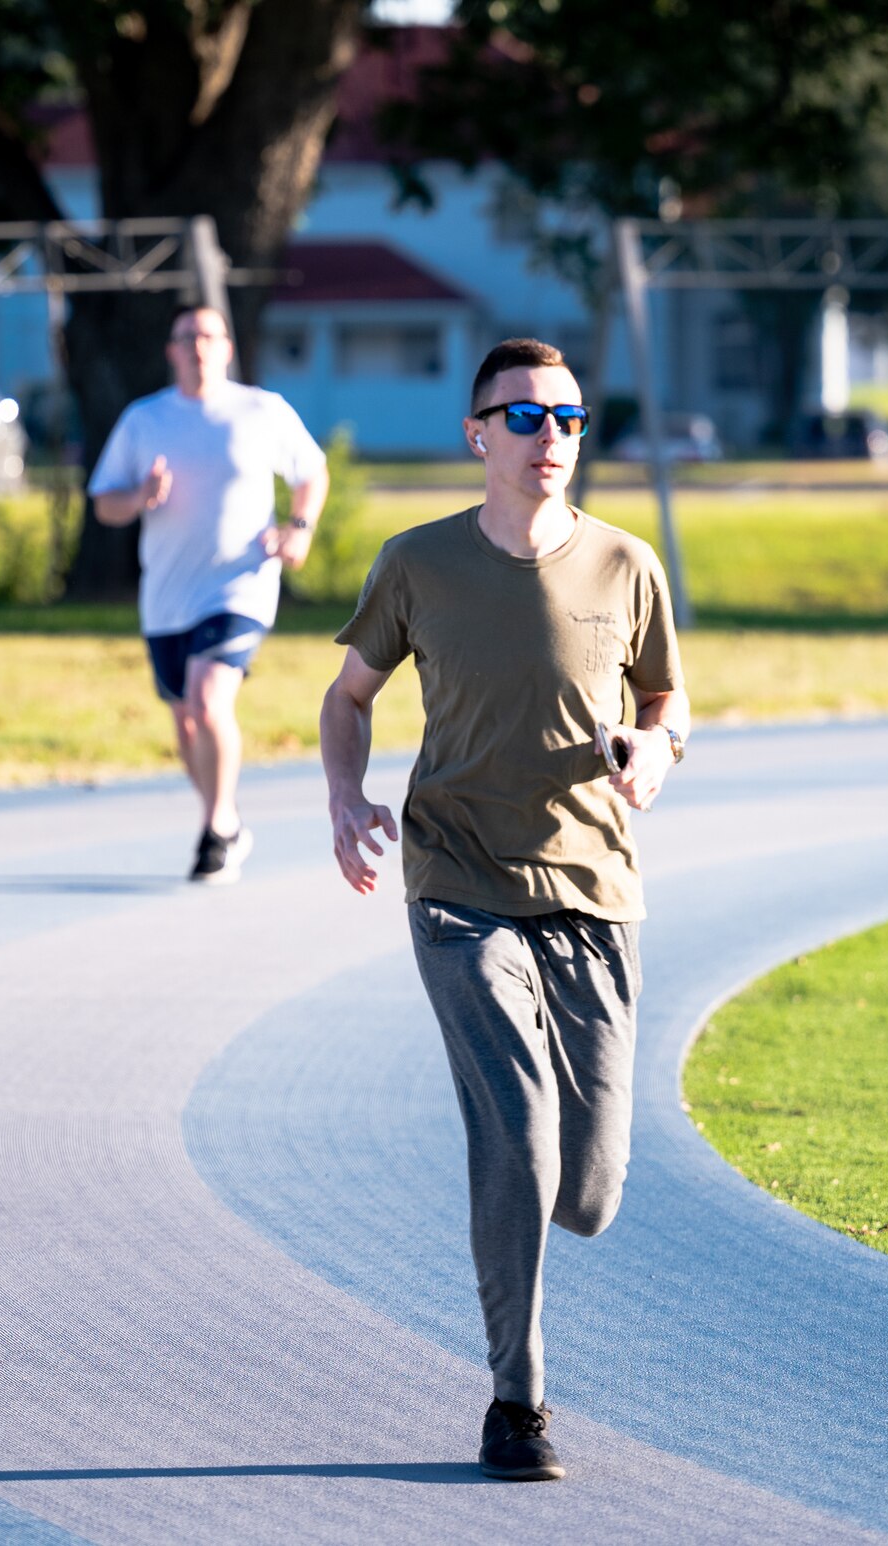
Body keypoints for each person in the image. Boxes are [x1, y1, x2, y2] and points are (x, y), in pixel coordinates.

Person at [319, 338, 689, 1482]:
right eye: (525, 418)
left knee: (589, 1189)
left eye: (569, 419)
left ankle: (539, 1286)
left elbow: (667, 699)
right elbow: (348, 695)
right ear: (475, 433)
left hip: (594, 895)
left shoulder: (626, 565)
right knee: (517, 1134)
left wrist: (652, 748)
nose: (551, 439)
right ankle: (515, 1402)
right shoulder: (416, 564)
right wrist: (346, 793)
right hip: (458, 884)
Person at [87, 305, 330, 883]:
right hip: (167, 595)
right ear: (171, 350)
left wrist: (299, 529)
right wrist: (141, 495)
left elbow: (311, 473)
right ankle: (226, 821)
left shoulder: (261, 411)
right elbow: (104, 502)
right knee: (186, 723)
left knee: (207, 697)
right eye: (187, 337)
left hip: (241, 583)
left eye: (209, 335)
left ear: (226, 346)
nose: (198, 345)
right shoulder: (144, 420)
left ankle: (217, 827)